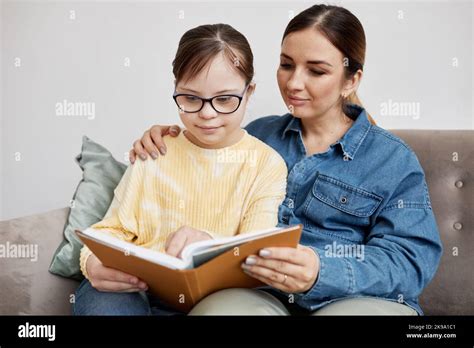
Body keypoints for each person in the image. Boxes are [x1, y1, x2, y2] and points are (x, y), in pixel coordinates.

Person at [130, 4, 443, 315]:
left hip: (355, 299)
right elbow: (202, 184)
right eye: (286, 65)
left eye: (316, 71)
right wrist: (170, 139)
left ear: (351, 80)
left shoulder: (392, 159)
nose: (293, 83)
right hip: (261, 294)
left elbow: (411, 261)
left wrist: (321, 271)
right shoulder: (257, 135)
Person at [73, 23, 291, 315]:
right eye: (190, 98)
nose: (207, 113)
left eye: (225, 99)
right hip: (134, 288)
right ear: (175, 89)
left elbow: (254, 249)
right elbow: (111, 229)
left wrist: (210, 244)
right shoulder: (156, 149)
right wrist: (91, 262)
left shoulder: (266, 164)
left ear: (249, 92)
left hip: (213, 299)